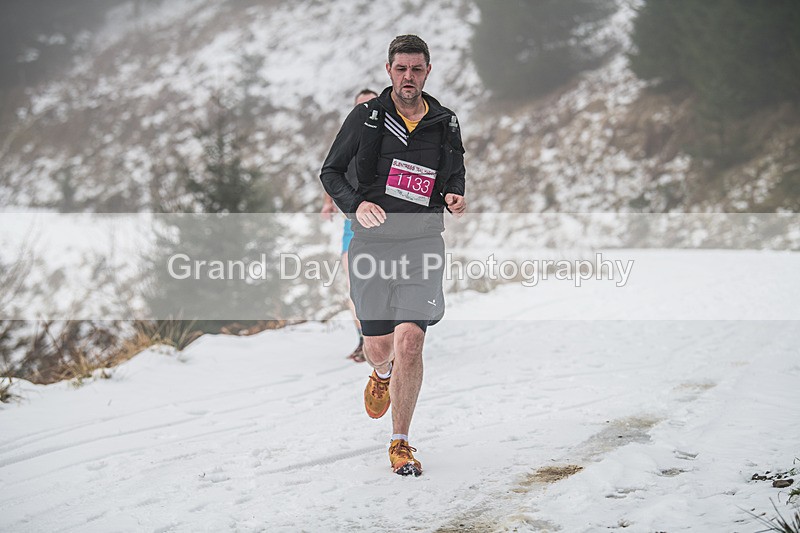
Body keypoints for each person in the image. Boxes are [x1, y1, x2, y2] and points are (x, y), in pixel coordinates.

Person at [320, 35, 467, 476]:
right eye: (401, 68)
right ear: (389, 70)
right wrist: (356, 205)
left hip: (422, 241)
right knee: (380, 345)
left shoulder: (445, 121)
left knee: (411, 340)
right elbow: (330, 171)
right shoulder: (366, 117)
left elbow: (454, 170)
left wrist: (455, 195)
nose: (408, 76)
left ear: (428, 70)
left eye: (416, 69)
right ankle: (380, 374)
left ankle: (400, 441)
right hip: (373, 242)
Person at [321, 88, 378, 363]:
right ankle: (363, 341)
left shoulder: (389, 136)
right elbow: (332, 170)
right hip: (352, 223)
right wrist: (328, 202)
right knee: (356, 283)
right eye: (360, 106)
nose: (364, 110)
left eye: (370, 104)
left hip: (387, 223)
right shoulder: (348, 135)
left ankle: (387, 338)